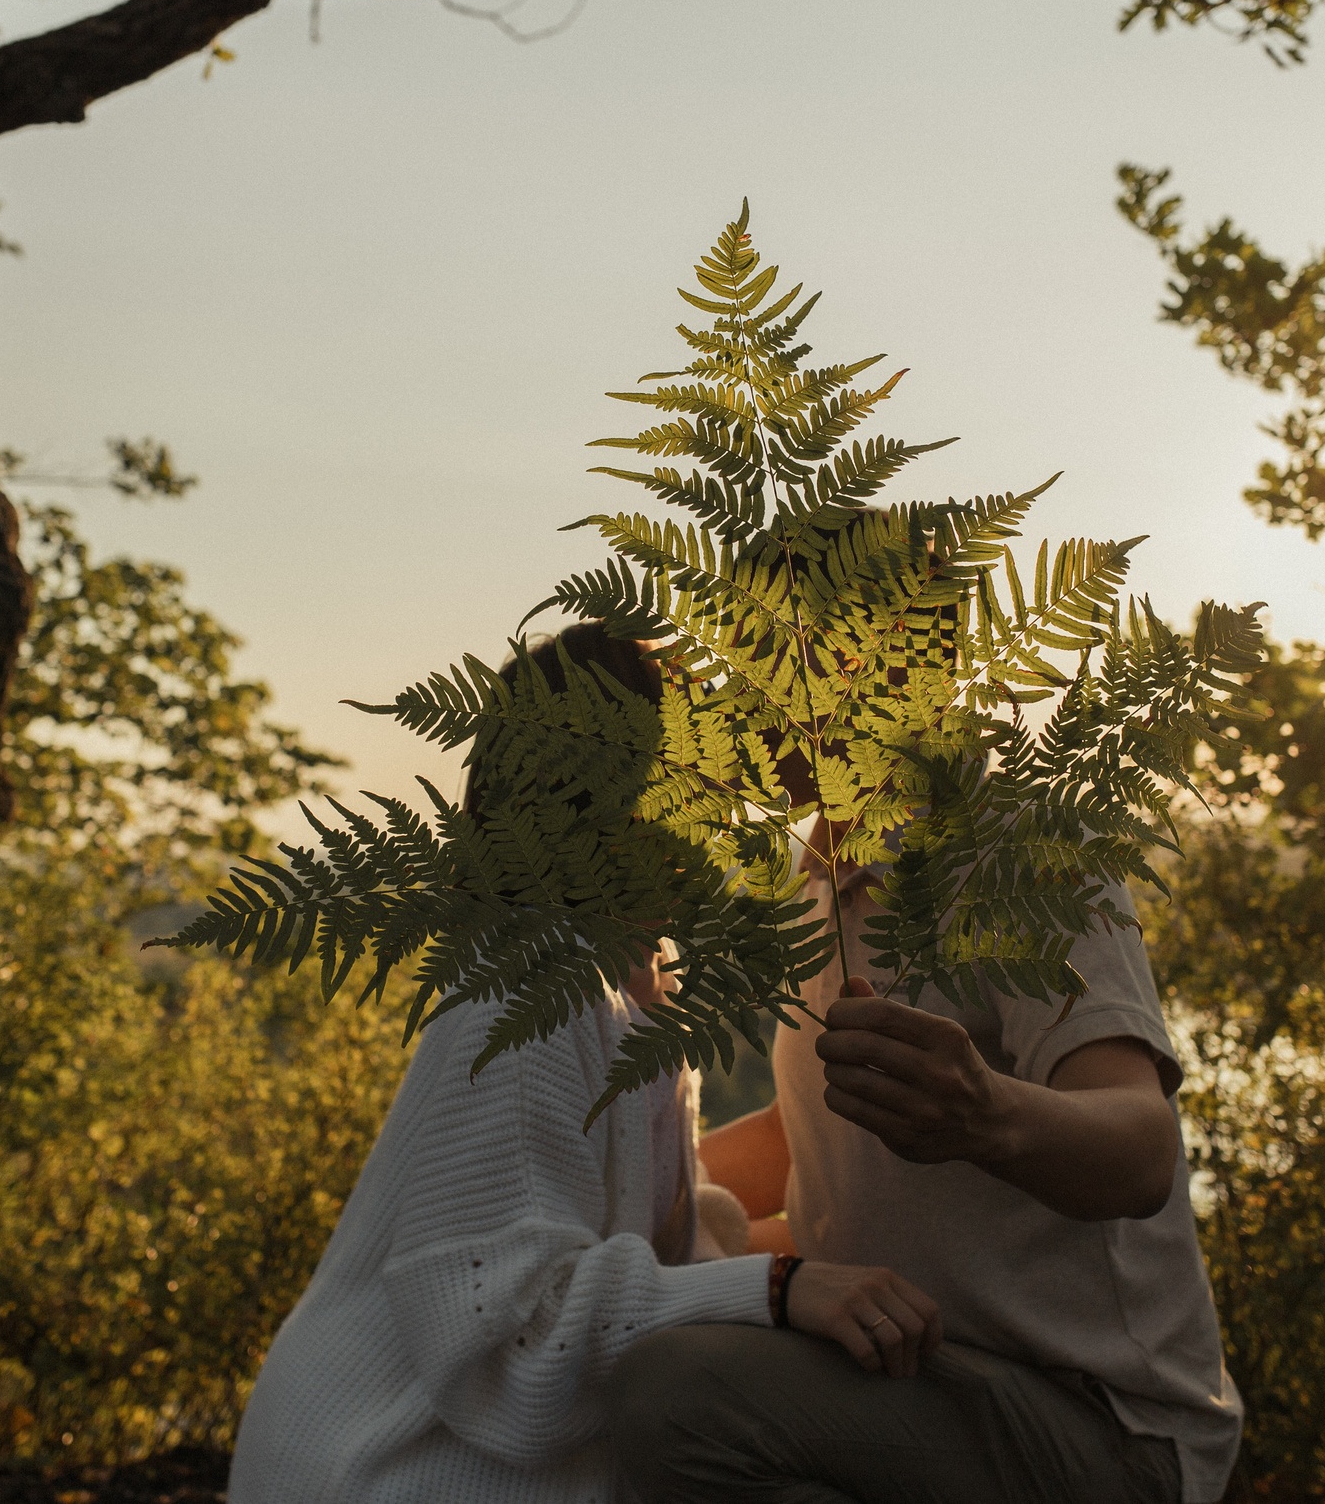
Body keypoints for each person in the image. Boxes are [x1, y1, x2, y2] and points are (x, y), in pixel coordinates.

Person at [227, 625, 946, 1504]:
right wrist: (780, 1288)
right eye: (695, 759)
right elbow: (508, 1322)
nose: (731, 786)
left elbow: (637, 1232)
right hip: (383, 1463)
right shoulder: (527, 987)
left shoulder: (633, 988)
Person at [605, 798, 1242, 1504]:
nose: (723, 691)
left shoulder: (1017, 841)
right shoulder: (820, 879)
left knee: (674, 1396)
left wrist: (987, 1115)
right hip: (917, 1371)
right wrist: (606, 1204)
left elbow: (1143, 1150)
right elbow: (806, 1137)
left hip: (1102, 1421)